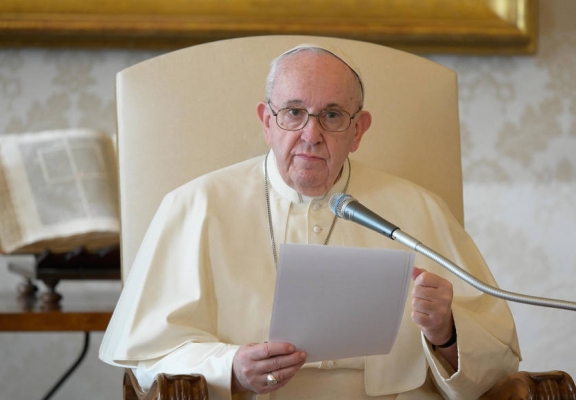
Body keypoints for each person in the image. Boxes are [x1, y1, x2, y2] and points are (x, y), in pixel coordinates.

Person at [100, 43, 521, 400]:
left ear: (359, 130)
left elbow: (498, 362)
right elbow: (146, 360)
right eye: (294, 112)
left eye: (332, 115)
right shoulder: (196, 206)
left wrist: (447, 332)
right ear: (267, 121)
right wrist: (230, 367)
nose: (311, 134)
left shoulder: (418, 209)